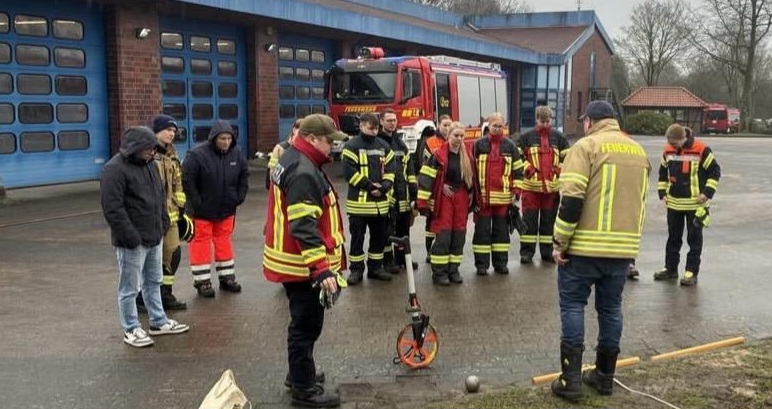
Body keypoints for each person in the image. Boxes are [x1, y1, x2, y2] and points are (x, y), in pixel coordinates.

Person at [550, 100, 650, 401]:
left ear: (589, 121)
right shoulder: (638, 150)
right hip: (622, 250)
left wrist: (559, 242)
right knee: (611, 309)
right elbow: (641, 203)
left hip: (583, 248)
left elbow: (571, 200)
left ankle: (571, 382)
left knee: (572, 306)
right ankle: (605, 377)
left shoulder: (585, 147)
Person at [262, 114, 348, 408]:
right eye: (328, 142)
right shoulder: (303, 170)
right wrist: (321, 269)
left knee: (303, 324)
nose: (332, 148)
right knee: (306, 326)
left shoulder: (292, 157)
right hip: (301, 267)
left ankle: (299, 373)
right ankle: (303, 389)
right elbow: (303, 226)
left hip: (290, 262)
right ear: (311, 139)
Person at [100, 126, 190, 348]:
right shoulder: (114, 169)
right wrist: (130, 236)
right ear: (135, 148)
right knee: (129, 288)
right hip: (132, 242)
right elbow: (113, 209)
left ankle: (158, 322)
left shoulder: (150, 165)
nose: (153, 153)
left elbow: (159, 195)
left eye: (153, 149)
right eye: (149, 149)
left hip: (154, 235)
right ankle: (131, 328)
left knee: (153, 281)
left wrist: (163, 223)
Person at [183, 120, 249, 297]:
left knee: (224, 241)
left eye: (229, 138)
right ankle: (202, 282)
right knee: (200, 243)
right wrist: (196, 202)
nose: (226, 142)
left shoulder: (237, 154)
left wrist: (239, 197)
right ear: (214, 138)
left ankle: (227, 278)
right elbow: (187, 181)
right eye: (222, 138)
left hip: (227, 209)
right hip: (202, 211)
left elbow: (244, 177)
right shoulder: (197, 155)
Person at [653, 124, 720, 286]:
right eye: (670, 143)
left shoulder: (702, 149)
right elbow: (662, 174)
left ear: (683, 138)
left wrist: (706, 193)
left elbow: (715, 172)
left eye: (675, 143)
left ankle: (691, 272)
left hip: (695, 205)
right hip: (674, 204)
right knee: (673, 239)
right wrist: (662, 194)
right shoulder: (668, 150)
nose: (672, 146)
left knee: (694, 240)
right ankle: (670, 269)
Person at [416, 122, 475, 285]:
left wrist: (472, 196)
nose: (459, 139)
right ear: (448, 136)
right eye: (456, 135)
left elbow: (472, 180)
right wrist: (424, 201)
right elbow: (426, 178)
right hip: (444, 200)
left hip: (461, 198)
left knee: (459, 237)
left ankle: (453, 270)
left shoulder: (467, 155)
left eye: (462, 136)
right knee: (443, 237)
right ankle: (439, 273)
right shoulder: (438, 155)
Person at [341, 113, 396, 285]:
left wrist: (385, 186)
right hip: (359, 205)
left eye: (376, 128)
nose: (374, 132)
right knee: (357, 239)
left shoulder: (384, 146)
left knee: (378, 239)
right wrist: (371, 187)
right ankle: (356, 270)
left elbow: (391, 169)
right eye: (370, 128)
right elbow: (349, 172)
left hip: (380, 205)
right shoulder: (351, 145)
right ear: (362, 126)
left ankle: (375, 268)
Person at [515, 106, 569, 265]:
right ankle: (526, 253)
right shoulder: (526, 137)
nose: (545, 124)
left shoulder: (559, 138)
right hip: (531, 188)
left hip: (551, 189)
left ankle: (547, 253)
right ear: (536, 119)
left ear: (551, 120)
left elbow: (568, 158)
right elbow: (517, 157)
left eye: (547, 121)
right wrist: (528, 169)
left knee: (548, 223)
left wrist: (558, 170)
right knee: (529, 223)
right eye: (542, 121)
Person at [471, 112, 524, 275]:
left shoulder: (510, 146)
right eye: (494, 126)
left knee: (501, 234)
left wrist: (517, 192)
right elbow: (472, 171)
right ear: (488, 125)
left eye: (500, 126)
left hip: (503, 199)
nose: (497, 129)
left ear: (504, 126)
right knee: (482, 233)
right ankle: (481, 265)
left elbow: (518, 171)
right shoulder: (478, 145)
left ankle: (500, 264)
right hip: (483, 200)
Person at [377, 108, 418, 274]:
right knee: (387, 230)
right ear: (381, 122)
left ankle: (402, 258)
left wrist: (414, 190)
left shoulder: (400, 143)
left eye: (394, 120)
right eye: (388, 120)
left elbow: (410, 168)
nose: (392, 123)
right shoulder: (378, 142)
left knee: (403, 229)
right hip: (388, 195)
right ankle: (388, 262)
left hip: (403, 194)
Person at [417, 115, 453, 262]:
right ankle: (429, 251)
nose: (447, 128)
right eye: (445, 125)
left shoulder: (454, 141)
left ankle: (443, 248)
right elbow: (424, 165)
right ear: (438, 125)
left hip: (449, 188)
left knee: (446, 220)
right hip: (434, 188)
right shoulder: (430, 142)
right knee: (431, 220)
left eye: (450, 125)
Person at [266, 118, 302, 189]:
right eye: (300, 130)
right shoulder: (280, 148)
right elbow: (272, 169)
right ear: (294, 130)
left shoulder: (304, 148)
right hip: (283, 187)